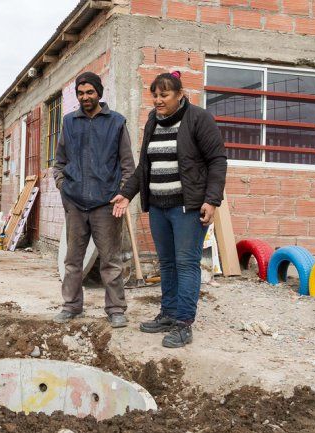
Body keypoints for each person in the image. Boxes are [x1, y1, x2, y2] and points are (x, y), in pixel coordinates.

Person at [111, 71, 227, 348]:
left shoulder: (199, 119)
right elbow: (145, 166)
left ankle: (184, 323)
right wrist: (126, 194)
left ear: (180, 95)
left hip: (187, 208)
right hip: (159, 207)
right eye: (155, 95)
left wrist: (212, 200)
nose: (158, 100)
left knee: (186, 264)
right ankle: (169, 313)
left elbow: (217, 161)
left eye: (164, 95)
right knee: (168, 264)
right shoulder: (154, 121)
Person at [52, 72, 135, 329]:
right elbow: (60, 162)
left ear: (99, 93)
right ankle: (71, 306)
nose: (85, 97)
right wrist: (63, 186)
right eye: (80, 93)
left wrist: (122, 195)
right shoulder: (69, 122)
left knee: (111, 261)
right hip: (75, 203)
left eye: (89, 92)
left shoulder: (116, 122)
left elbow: (128, 165)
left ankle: (116, 310)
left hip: (105, 205)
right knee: (73, 260)